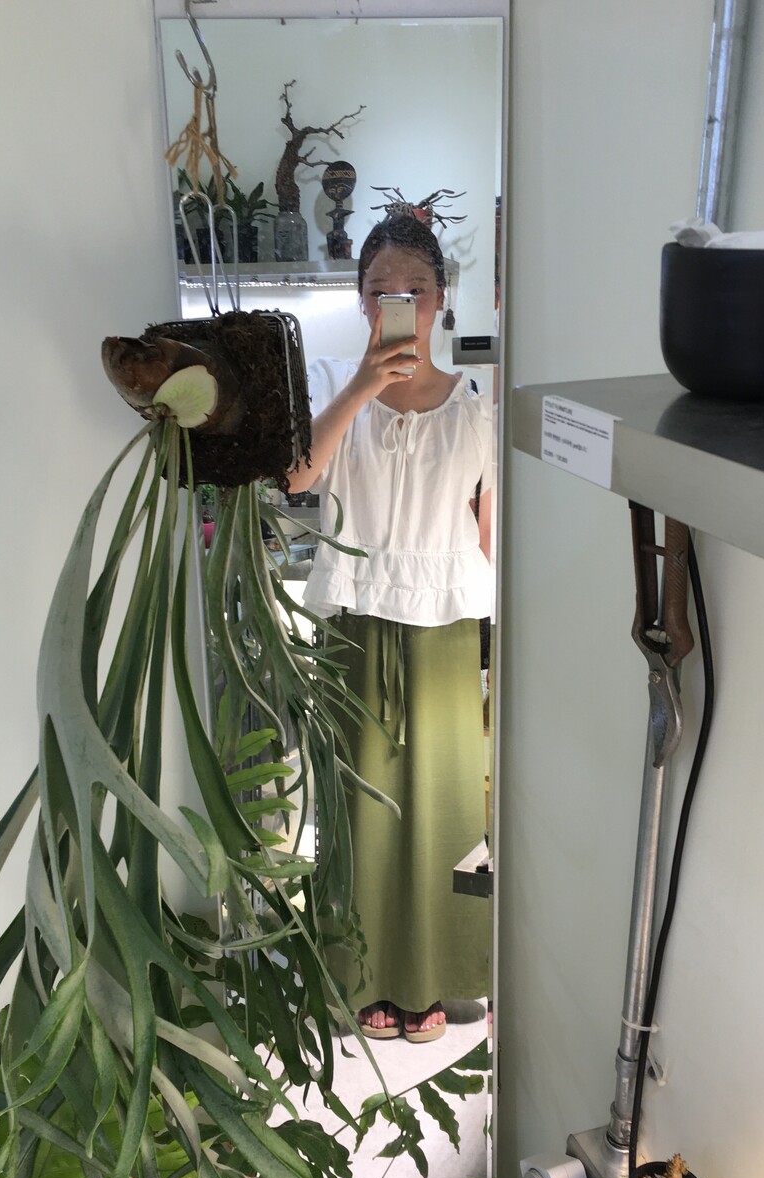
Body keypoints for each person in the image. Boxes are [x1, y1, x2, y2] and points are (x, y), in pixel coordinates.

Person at [287, 214, 493, 1043]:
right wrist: (363, 388)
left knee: (445, 810)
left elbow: (491, 539)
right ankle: (362, 972)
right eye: (380, 293)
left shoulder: (477, 410)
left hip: (445, 632)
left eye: (414, 290)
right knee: (359, 811)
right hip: (357, 622)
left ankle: (436, 974)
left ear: (440, 300)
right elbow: (297, 475)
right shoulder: (336, 389)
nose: (397, 304)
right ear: (361, 301)